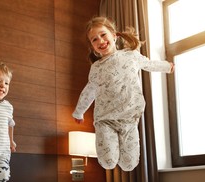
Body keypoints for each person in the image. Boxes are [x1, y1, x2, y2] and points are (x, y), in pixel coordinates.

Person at [72, 16, 174, 171]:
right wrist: (79, 112)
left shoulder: (131, 56)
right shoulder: (97, 68)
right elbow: (89, 91)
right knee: (108, 162)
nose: (100, 41)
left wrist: (167, 66)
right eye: (94, 39)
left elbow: (149, 64)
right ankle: (108, 145)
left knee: (129, 165)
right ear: (93, 47)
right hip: (105, 119)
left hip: (129, 119)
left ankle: (121, 151)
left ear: (114, 35)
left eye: (103, 35)